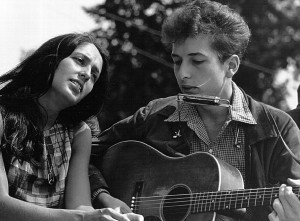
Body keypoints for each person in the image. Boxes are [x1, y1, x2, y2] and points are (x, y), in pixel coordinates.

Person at [89, 0, 300, 220]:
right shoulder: (154, 115)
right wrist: (104, 197)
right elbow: (86, 156)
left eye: (197, 61)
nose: (183, 74)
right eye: (177, 61)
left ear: (231, 66)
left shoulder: (279, 128)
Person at [0, 33, 143, 221]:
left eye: (94, 75)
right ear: (53, 60)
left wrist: (106, 217)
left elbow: (80, 205)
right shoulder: (2, 116)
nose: (86, 74)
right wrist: (83, 218)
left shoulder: (79, 134)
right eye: (80, 60)